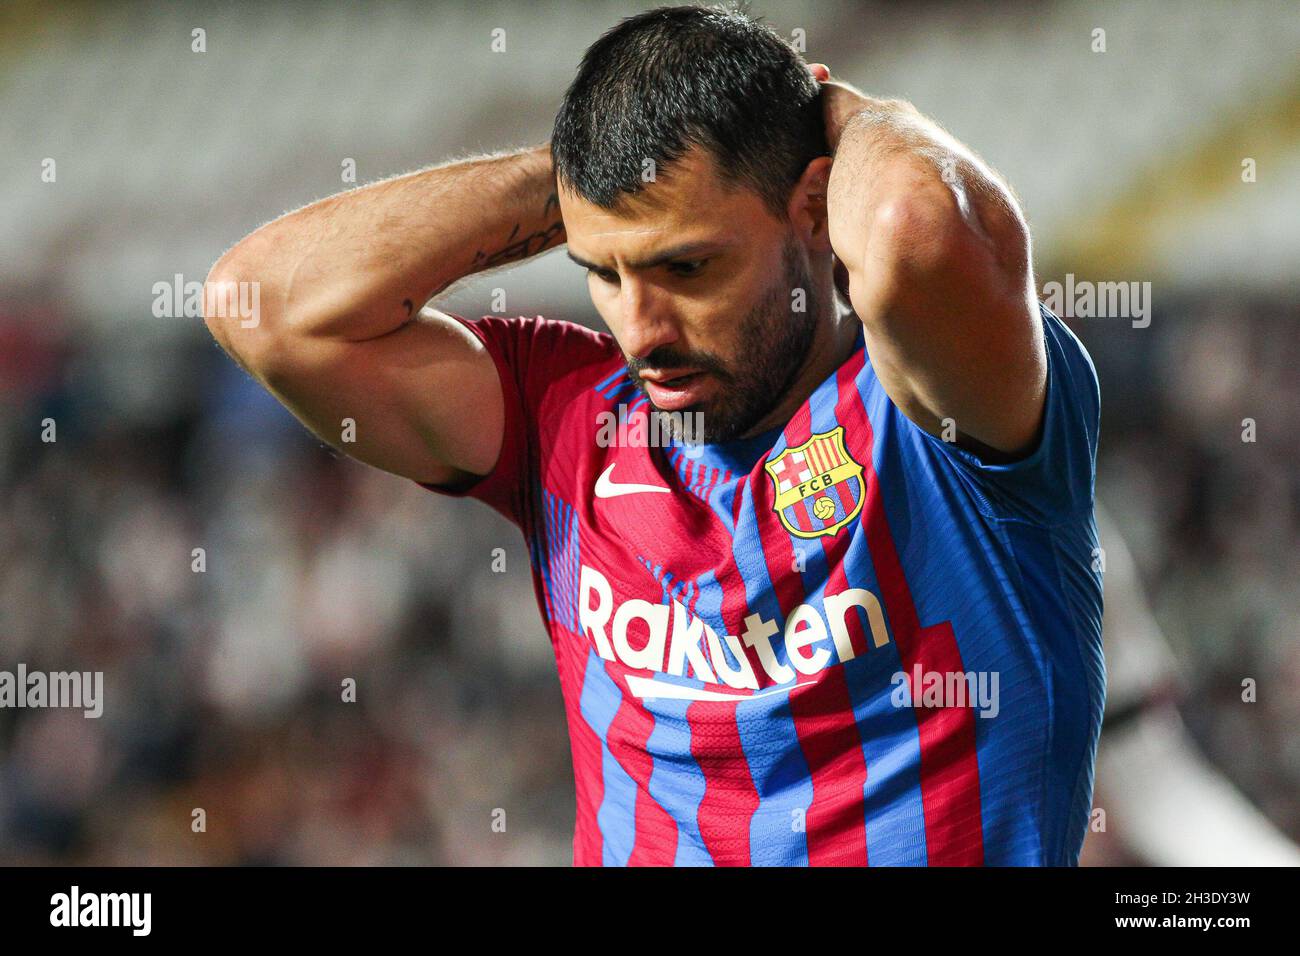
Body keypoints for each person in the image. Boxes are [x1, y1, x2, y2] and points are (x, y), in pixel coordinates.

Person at [203, 3, 1103, 866]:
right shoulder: (567, 421)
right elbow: (263, 311)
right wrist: (584, 176)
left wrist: (837, 113)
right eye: (603, 271)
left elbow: (916, 230)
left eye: (685, 265)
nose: (641, 330)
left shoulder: (946, 426)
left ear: (814, 206)